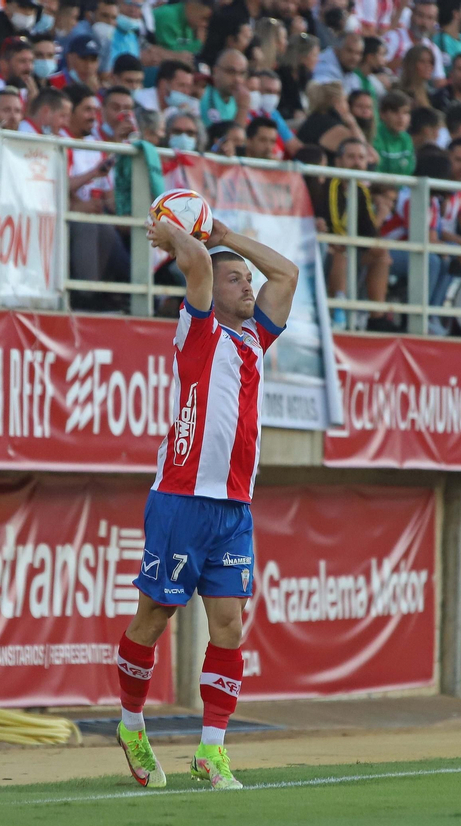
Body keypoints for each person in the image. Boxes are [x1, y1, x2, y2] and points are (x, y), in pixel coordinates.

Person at [114, 213, 298, 792]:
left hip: (234, 508)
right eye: (235, 280)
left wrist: (226, 238)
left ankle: (211, 751)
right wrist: (180, 235)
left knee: (229, 625)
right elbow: (195, 263)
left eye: (247, 280)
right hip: (181, 500)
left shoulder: (254, 339)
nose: (248, 286)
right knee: (154, 619)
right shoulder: (198, 331)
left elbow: (287, 274)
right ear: (210, 291)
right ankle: (131, 726)